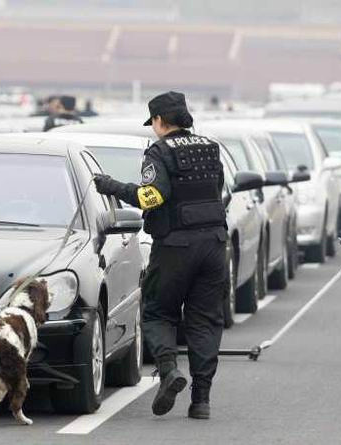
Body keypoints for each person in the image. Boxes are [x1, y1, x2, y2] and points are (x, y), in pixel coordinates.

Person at [93, 91, 227, 420]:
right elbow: (219, 190)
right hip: (213, 245)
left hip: (175, 248)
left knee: (157, 313)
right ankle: (201, 400)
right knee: (205, 321)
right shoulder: (210, 148)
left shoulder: (159, 151)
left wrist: (112, 186)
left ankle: (168, 371)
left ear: (158, 121)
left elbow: (151, 196)